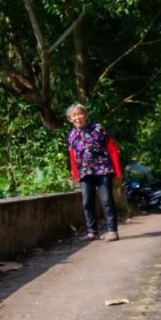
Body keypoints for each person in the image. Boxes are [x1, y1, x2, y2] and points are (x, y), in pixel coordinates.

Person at [65, 103, 121, 242]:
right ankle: (92, 232)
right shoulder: (71, 135)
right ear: (70, 119)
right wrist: (75, 173)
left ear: (86, 115)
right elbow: (72, 156)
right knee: (87, 201)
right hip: (84, 172)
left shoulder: (97, 129)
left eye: (80, 114)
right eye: (74, 115)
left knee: (106, 199)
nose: (78, 117)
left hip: (102, 169)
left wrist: (117, 170)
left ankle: (112, 231)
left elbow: (112, 147)